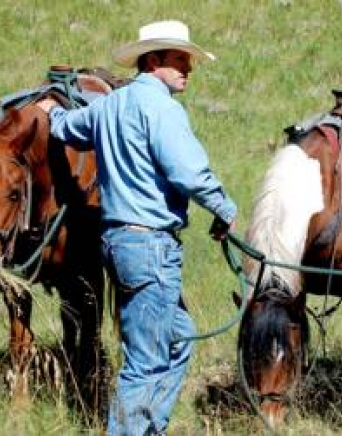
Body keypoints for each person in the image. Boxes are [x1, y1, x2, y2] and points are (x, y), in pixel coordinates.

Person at [36, 19, 237, 436]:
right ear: (155, 60)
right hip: (150, 247)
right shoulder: (162, 108)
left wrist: (50, 109)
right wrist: (225, 209)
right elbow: (189, 173)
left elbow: (65, 128)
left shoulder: (109, 106)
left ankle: (148, 430)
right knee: (144, 363)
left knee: (179, 341)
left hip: (118, 244)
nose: (189, 68)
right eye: (181, 59)